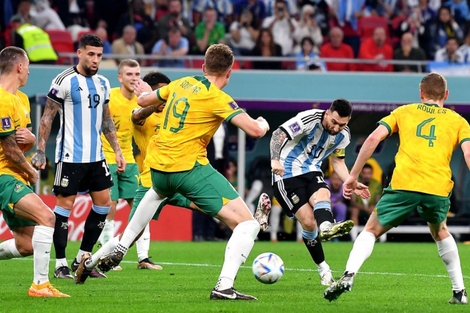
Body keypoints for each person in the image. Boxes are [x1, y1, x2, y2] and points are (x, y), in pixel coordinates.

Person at [93, 44, 271, 300]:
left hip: (158, 169)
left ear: (203, 67)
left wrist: (145, 92)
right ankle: (224, 286)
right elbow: (253, 130)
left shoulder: (181, 83)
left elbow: (143, 101)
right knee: (247, 224)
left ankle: (122, 245)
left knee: (155, 194)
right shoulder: (218, 98)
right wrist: (263, 124)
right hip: (188, 168)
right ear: (229, 73)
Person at [324, 73, 469, 305]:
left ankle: (349, 275)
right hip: (438, 188)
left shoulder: (404, 112)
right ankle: (459, 292)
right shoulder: (459, 121)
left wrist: (352, 176)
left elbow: (372, 139)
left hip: (404, 185)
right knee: (441, 230)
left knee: (370, 230)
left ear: (421, 93)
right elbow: (468, 153)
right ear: (446, 95)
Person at [31, 34, 126, 280]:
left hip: (96, 157)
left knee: (104, 204)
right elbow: (47, 117)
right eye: (91, 54)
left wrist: (117, 151)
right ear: (80, 53)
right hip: (70, 156)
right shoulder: (63, 80)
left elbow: (106, 120)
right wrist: (40, 149)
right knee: (64, 208)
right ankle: (60, 263)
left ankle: (82, 258)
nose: (95, 60)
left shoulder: (104, 82)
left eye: (99, 56)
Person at [270, 99, 370, 286]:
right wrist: (275, 160)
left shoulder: (343, 135)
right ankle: (323, 267)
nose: (337, 127)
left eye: (342, 124)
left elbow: (337, 162)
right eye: (334, 122)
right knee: (308, 223)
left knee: (323, 193)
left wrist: (351, 181)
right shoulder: (309, 119)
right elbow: (278, 134)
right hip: (286, 174)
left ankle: (326, 226)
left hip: (312, 171)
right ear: (327, 114)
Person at [0, 47, 69, 298]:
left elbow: (22, 142)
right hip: (3, 176)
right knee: (47, 218)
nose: (29, 70)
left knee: (26, 245)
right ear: (19, 67)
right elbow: (8, 149)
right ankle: (39, 285)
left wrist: (30, 139)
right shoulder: (1, 99)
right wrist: (30, 170)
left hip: (14, 175)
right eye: (27, 65)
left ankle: (41, 284)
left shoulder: (20, 99)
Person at [98, 59, 141, 252]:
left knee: (139, 206)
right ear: (120, 77)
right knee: (111, 204)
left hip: (129, 158)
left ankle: (143, 256)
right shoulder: (109, 96)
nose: (134, 78)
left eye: (137, 74)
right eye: (130, 74)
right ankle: (106, 247)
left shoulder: (142, 99)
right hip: (107, 157)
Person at [349, 163, 382, 240]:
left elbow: (378, 200)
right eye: (365, 173)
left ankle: (380, 238)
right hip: (359, 208)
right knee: (354, 210)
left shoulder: (376, 184)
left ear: (372, 173)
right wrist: (364, 208)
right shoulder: (355, 183)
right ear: (361, 173)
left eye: (369, 173)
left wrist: (373, 207)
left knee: (377, 210)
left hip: (371, 208)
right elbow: (353, 202)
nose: (367, 176)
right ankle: (354, 238)